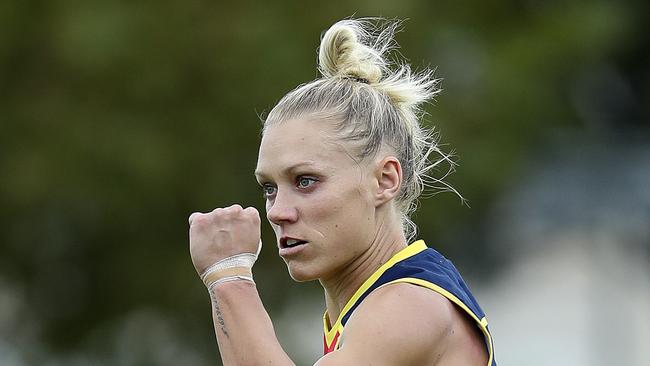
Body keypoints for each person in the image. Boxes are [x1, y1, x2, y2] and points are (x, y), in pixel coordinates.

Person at [188, 18, 496, 366]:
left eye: (306, 181)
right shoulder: (362, 310)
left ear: (385, 180)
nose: (276, 212)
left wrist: (229, 276)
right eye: (270, 188)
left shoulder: (409, 303)